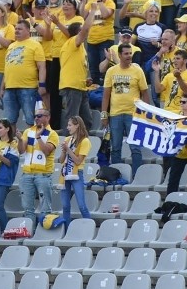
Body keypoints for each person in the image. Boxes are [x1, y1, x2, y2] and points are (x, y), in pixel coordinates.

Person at [101, 43, 150, 176]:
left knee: (135, 148)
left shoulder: (137, 70)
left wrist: (146, 113)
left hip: (133, 114)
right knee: (115, 148)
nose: (129, 56)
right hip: (115, 114)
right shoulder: (111, 71)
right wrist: (104, 114)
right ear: (119, 55)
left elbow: (145, 93)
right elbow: (106, 95)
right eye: (126, 53)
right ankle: (117, 175)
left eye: (130, 53)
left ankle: (137, 176)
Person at [17, 107, 59, 222]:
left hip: (43, 175)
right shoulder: (28, 131)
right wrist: (20, 140)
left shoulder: (52, 134)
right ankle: (30, 232)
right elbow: (21, 151)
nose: (36, 118)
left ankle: (44, 233)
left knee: (45, 209)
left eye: (39, 116)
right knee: (27, 209)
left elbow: (47, 151)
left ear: (48, 117)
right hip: (27, 174)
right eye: (35, 116)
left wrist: (39, 137)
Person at [59, 115, 92, 226]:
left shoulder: (85, 141)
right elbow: (61, 160)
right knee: (65, 206)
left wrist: (68, 149)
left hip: (77, 173)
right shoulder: (67, 139)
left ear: (77, 126)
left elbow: (78, 161)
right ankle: (67, 230)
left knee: (81, 205)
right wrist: (64, 151)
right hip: (65, 173)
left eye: (70, 125)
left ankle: (89, 226)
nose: (67, 128)